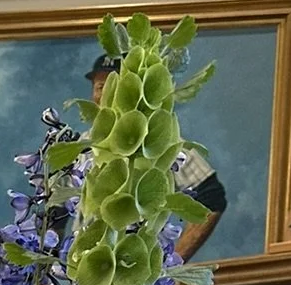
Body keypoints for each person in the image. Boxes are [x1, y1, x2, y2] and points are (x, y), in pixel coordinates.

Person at [86, 52, 227, 260]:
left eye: (114, 85)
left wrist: (171, 263)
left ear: (131, 91)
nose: (106, 93)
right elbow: (55, 213)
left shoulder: (158, 141)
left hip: (136, 270)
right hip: (82, 274)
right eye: (100, 87)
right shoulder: (81, 146)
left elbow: (211, 197)